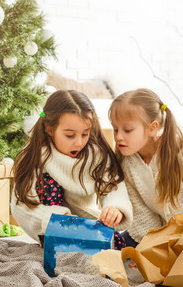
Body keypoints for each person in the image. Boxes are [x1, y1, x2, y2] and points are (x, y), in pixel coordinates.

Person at [108, 88, 183, 275]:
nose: (118, 136)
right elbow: (140, 210)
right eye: (115, 129)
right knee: (115, 245)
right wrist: (151, 248)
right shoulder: (127, 162)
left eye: (127, 130)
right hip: (165, 230)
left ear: (152, 128)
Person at [11, 90, 132, 246]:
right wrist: (54, 218)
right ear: (49, 129)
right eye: (70, 135)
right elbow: (21, 206)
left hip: (86, 224)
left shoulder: (96, 154)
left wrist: (115, 207)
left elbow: (112, 185)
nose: (79, 143)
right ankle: (55, 243)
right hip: (53, 226)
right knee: (46, 181)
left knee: (114, 246)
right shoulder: (34, 155)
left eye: (85, 134)